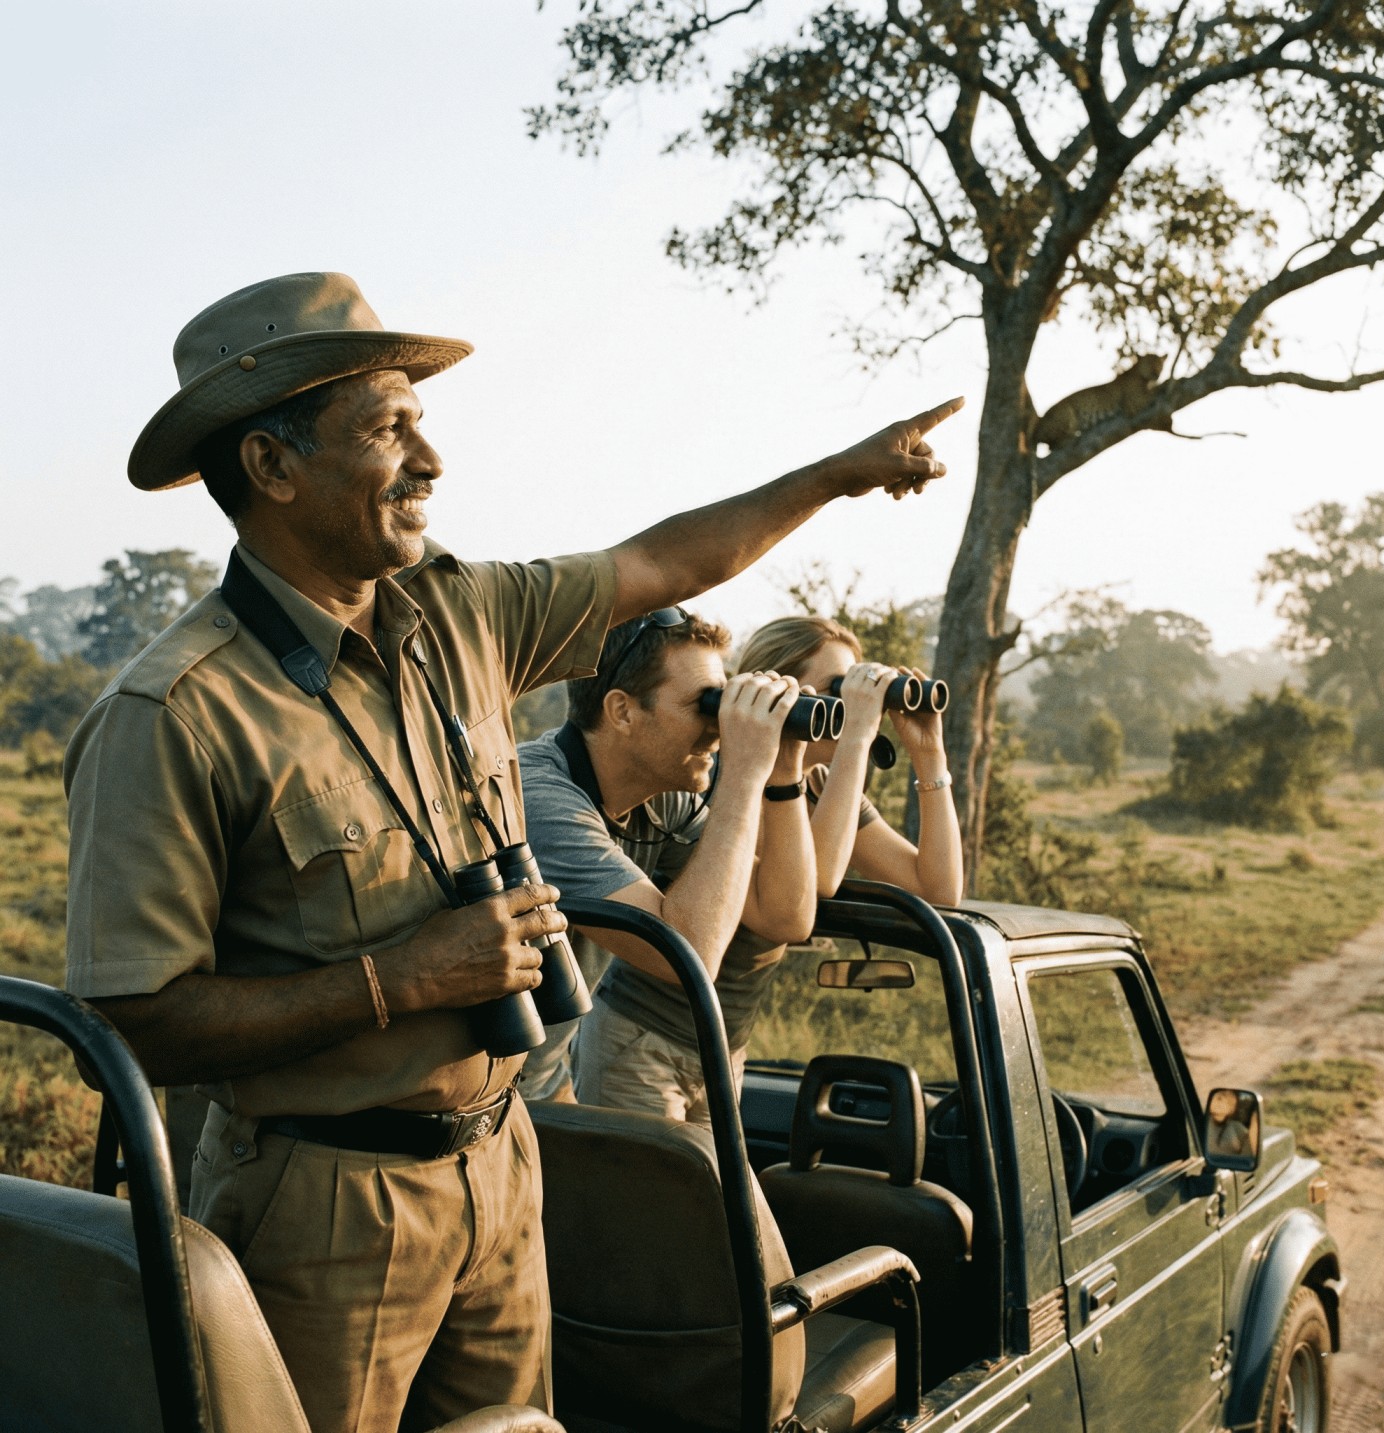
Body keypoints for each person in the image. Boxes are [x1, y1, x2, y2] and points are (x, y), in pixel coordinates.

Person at [62, 270, 962, 1433]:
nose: (429, 461)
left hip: (504, 1156)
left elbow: (661, 564)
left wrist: (837, 474)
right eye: (388, 429)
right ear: (273, 469)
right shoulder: (175, 712)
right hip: (323, 1199)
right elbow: (130, 1020)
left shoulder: (459, 617)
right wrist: (403, 978)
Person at [518, 611, 817, 1118]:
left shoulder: (659, 801)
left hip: (541, 1089)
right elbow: (690, 954)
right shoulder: (539, 799)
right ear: (623, 711)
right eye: (705, 705)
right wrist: (743, 775)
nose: (719, 728)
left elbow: (783, 915)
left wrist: (783, 769)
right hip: (475, 1108)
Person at [738, 616, 964, 905]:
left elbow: (939, 892)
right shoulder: (732, 778)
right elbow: (816, 880)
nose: (855, 706)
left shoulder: (821, 786)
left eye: (854, 690)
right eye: (838, 691)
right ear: (774, 691)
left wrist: (930, 755)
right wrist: (857, 734)